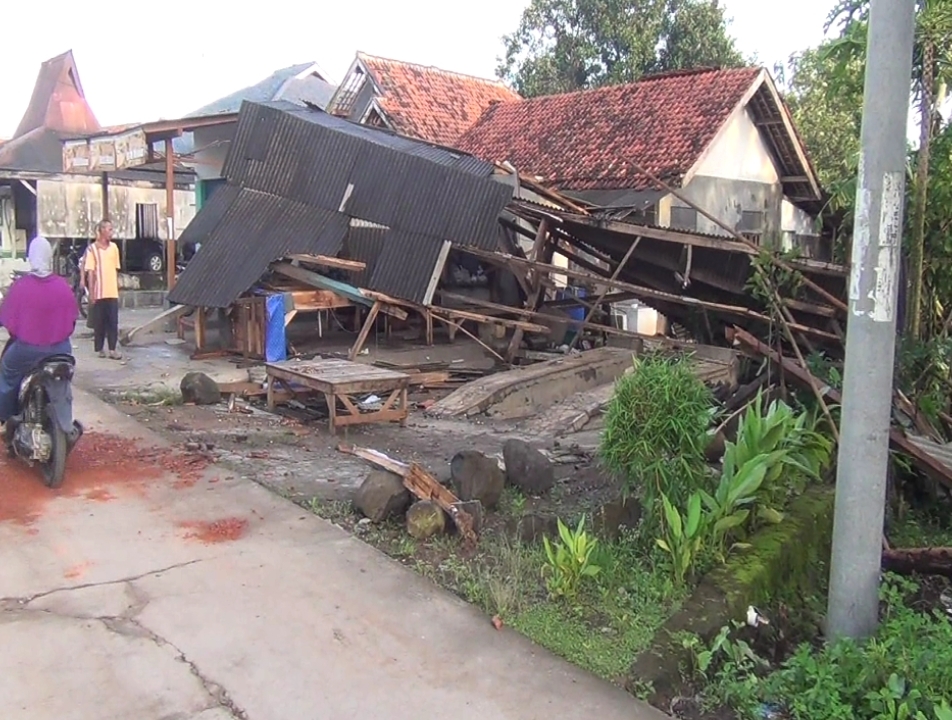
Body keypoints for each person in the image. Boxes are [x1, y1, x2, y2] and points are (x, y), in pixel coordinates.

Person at [0, 236, 79, 424]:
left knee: (7, 373)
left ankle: (5, 418)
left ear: (30, 257)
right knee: (63, 381)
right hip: (61, 350)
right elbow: (72, 321)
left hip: (26, 350)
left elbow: (7, 319)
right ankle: (65, 422)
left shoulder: (21, 286)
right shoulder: (63, 286)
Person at [85, 219, 122, 359]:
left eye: (112, 229)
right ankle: (99, 348)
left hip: (112, 291)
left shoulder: (114, 248)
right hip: (99, 292)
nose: (111, 232)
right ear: (101, 231)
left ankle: (112, 349)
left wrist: (118, 286)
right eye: (109, 229)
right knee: (99, 323)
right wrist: (92, 293)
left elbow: (116, 269)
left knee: (113, 321)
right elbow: (91, 272)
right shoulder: (93, 249)